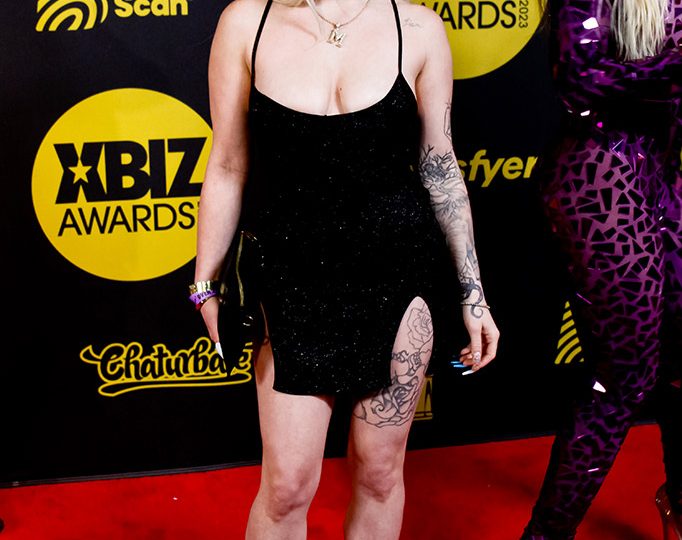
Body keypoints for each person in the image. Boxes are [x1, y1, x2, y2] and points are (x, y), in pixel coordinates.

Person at [191, 0, 500, 537]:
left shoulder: (419, 28)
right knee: (286, 486)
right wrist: (204, 283)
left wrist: (473, 294)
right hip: (291, 285)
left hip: (398, 279)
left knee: (380, 474)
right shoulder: (246, 23)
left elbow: (441, 169)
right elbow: (227, 164)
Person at [521, 0, 682, 538]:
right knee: (624, 377)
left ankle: (680, 507)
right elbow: (579, 80)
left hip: (664, 176)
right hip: (598, 178)